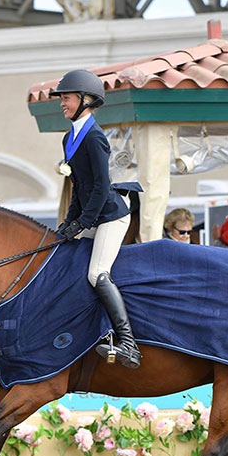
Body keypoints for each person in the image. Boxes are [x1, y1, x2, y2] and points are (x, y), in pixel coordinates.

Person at [50, 69, 142, 369]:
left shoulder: (95, 137)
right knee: (72, 264)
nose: (62, 104)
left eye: (67, 98)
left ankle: (128, 343)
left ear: (85, 100)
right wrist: (69, 221)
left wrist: (83, 222)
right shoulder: (70, 138)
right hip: (92, 215)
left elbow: (102, 186)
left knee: (96, 274)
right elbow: (79, 185)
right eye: (62, 99)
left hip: (112, 216)